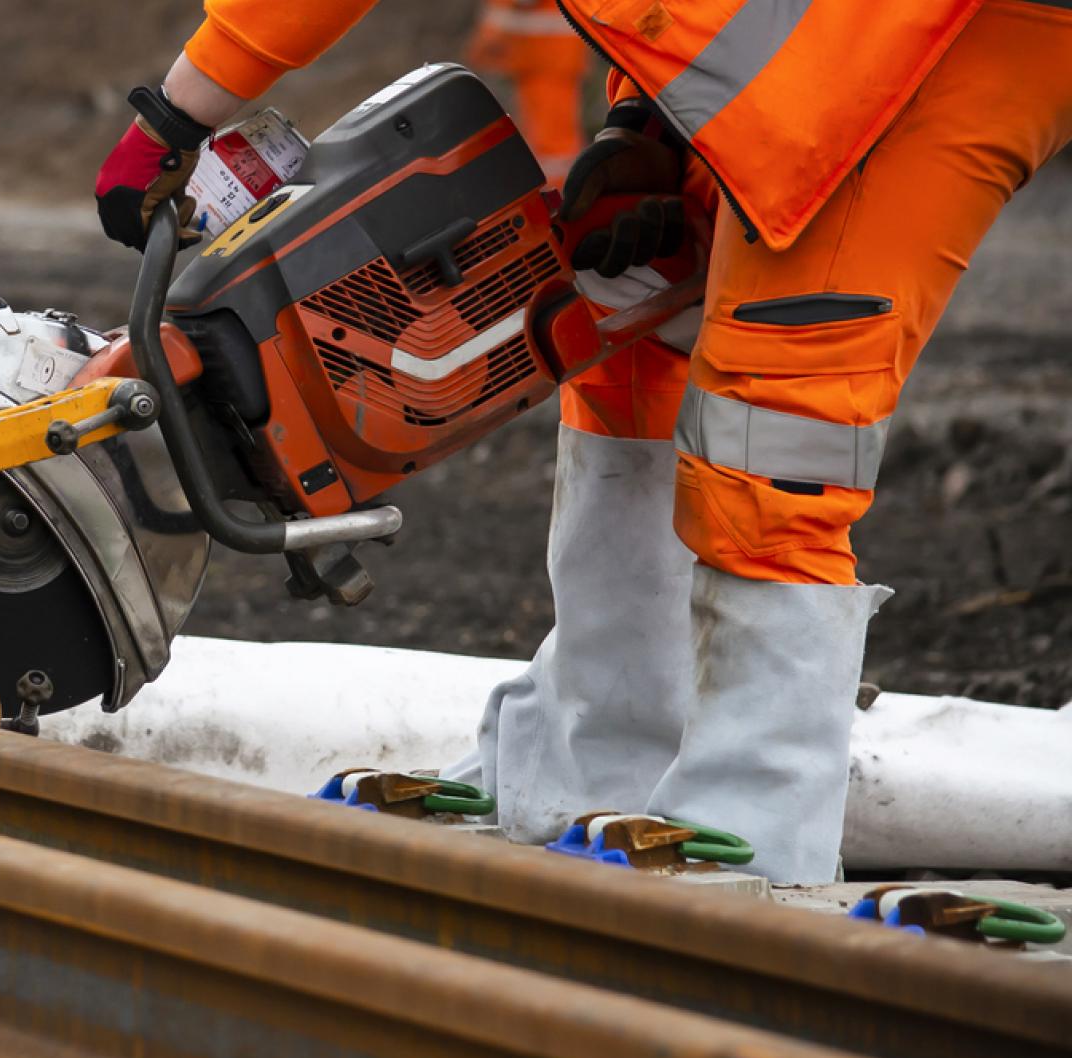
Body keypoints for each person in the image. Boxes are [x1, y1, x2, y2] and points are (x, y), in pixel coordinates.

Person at [93, 0, 1072, 883]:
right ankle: (587, 762)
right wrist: (649, 120)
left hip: (930, 44)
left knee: (776, 421)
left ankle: (752, 823)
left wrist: (177, 113)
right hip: (799, 56)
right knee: (630, 341)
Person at [466, 0, 590, 185]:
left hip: (547, 53)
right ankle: (557, 190)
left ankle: (559, 192)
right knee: (546, 137)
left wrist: (491, 37)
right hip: (541, 53)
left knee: (552, 142)